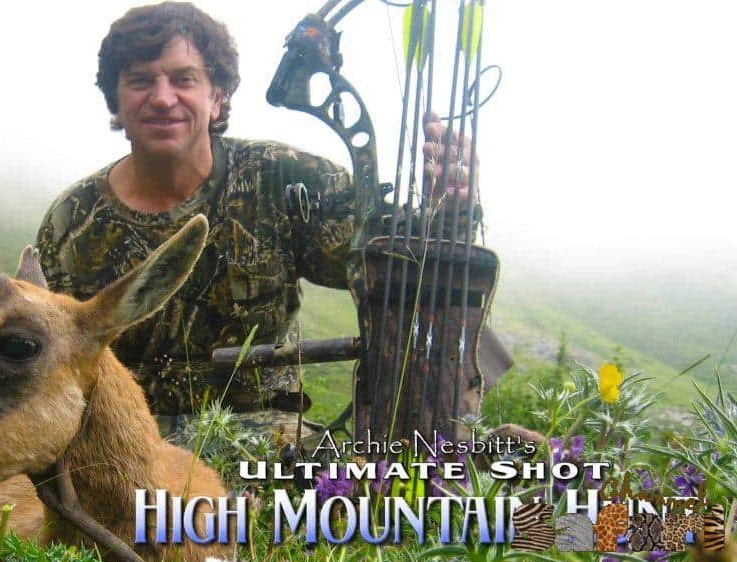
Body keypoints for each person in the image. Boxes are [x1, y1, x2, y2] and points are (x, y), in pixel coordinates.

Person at [35, 1, 506, 444]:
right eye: (140, 81)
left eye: (184, 79)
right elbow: (44, 366)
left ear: (216, 97)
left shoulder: (282, 177)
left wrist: (449, 208)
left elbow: (393, 266)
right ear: (115, 102)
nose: (162, 98)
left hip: (266, 440)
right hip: (122, 444)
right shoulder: (72, 222)